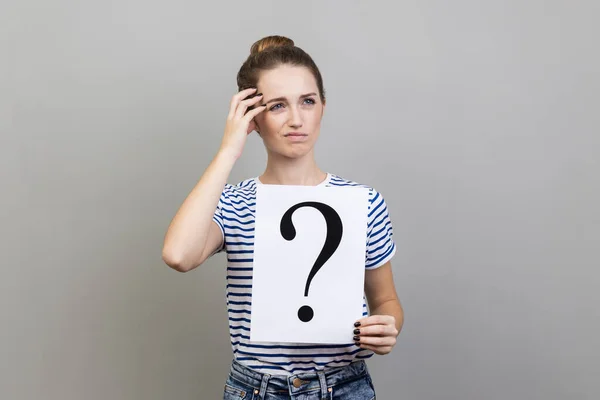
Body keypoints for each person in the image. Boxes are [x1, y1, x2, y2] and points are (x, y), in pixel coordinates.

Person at [162, 35, 403, 399]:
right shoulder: (233, 204)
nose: (296, 119)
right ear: (253, 118)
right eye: (277, 106)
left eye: (307, 101)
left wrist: (387, 328)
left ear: (323, 105)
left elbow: (386, 301)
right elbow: (179, 255)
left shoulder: (363, 202)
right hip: (256, 390)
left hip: (343, 386)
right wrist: (229, 149)